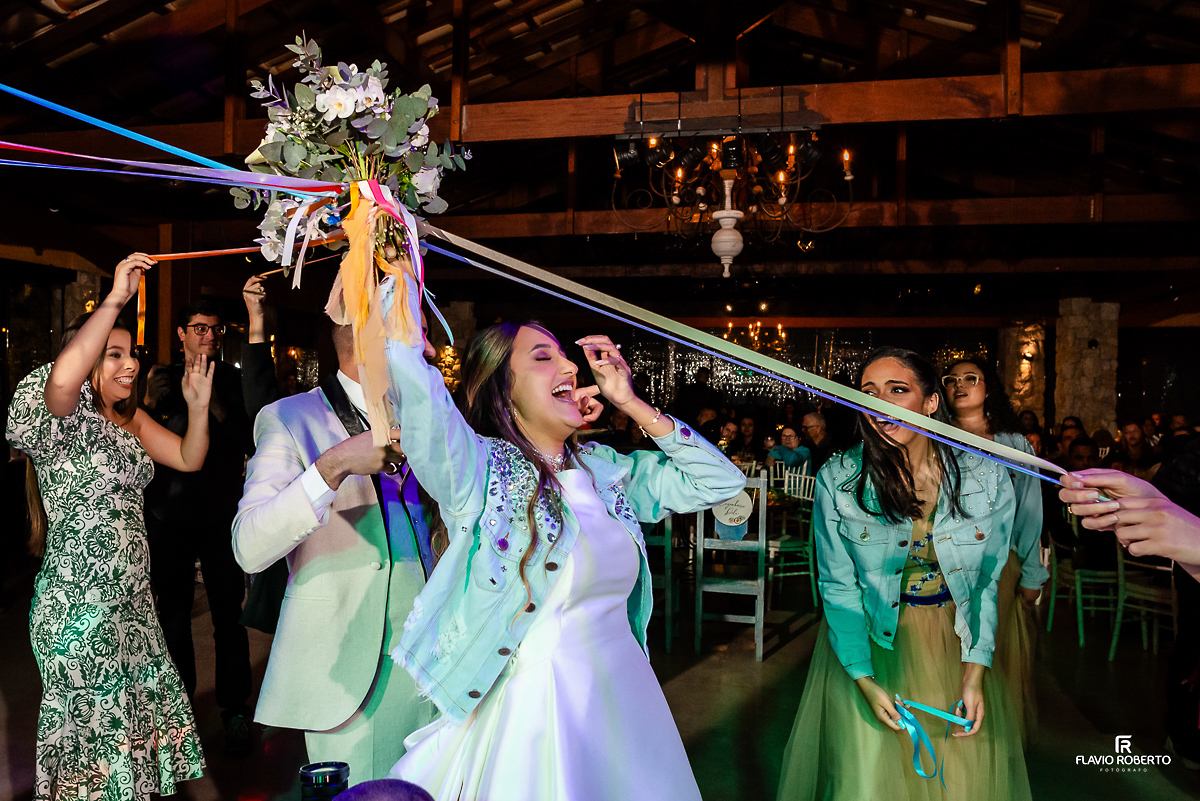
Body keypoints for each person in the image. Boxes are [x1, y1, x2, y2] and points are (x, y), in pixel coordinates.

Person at [381, 268, 746, 800]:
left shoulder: (606, 470)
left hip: (627, 698)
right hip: (543, 710)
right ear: (503, 392)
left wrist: (631, 403)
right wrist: (392, 284)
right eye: (543, 357)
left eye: (564, 356)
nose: (571, 366)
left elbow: (720, 482)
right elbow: (422, 409)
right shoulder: (481, 474)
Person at [776, 347, 1029, 801]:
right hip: (872, 642)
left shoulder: (985, 473)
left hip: (955, 643)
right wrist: (864, 680)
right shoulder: (840, 478)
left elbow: (986, 583)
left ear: (931, 402)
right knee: (867, 779)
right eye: (869, 393)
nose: (880, 405)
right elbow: (837, 584)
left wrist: (974, 675)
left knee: (958, 780)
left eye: (898, 390)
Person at [6, 254, 210, 800]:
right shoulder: (60, 415)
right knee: (96, 762)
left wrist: (197, 406)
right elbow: (64, 377)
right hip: (80, 610)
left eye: (132, 355)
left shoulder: (129, 420)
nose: (130, 365)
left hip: (132, 608)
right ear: (87, 357)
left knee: (131, 754)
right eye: (112, 354)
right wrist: (116, 298)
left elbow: (190, 458)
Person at [232, 312, 442, 783]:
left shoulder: (426, 417)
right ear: (373, 342)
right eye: (416, 336)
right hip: (351, 670)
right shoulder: (288, 418)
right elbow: (248, 545)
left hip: (435, 661)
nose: (429, 351)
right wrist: (334, 465)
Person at [141, 284, 266, 754]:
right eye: (200, 329)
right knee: (172, 618)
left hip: (220, 512)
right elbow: (139, 437)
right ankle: (181, 713)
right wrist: (152, 403)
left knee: (227, 620)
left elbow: (249, 440)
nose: (209, 336)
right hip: (168, 514)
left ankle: (235, 710)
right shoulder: (158, 377)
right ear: (181, 334)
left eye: (215, 330)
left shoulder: (234, 381)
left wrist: (209, 400)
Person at [943, 358, 1047, 743]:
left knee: (991, 653)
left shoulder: (1014, 444)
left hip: (1000, 564)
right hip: (947, 561)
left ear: (989, 389)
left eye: (971, 378)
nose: (960, 385)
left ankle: (989, 739)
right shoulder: (932, 436)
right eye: (950, 380)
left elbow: (1030, 510)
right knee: (947, 653)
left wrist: (1033, 573)